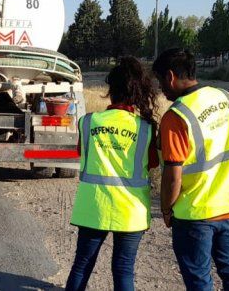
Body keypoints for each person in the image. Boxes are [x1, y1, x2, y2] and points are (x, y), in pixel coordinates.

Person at [152, 48, 229, 291]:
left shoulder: (176, 116)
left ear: (170, 76)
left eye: (160, 82)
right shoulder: (228, 98)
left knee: (199, 279)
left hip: (195, 213)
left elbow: (173, 176)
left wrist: (166, 209)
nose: (161, 89)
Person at [66, 56, 160, 291]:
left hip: (93, 207)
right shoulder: (145, 127)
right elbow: (152, 163)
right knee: (123, 269)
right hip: (130, 211)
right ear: (138, 92)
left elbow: (82, 151)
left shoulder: (88, 122)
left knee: (82, 265)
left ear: (111, 90)